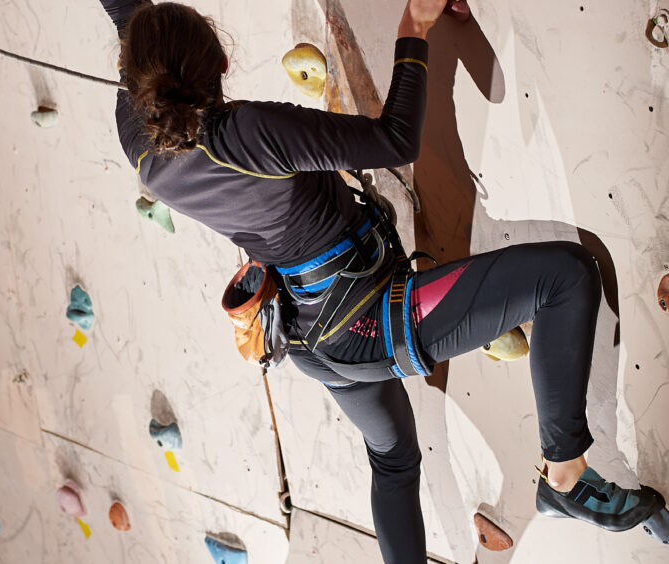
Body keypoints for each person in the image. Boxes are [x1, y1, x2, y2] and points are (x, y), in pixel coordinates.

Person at [97, 0, 667, 561]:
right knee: (565, 276)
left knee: (394, 461)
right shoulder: (247, 135)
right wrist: (414, 24)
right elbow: (394, 139)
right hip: (371, 318)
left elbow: (130, 18)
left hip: (311, 338)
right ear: (222, 60)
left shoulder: (141, 144)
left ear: (139, 81)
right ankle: (564, 476)